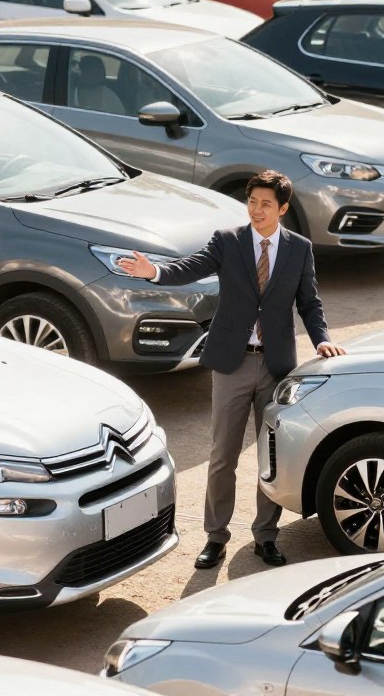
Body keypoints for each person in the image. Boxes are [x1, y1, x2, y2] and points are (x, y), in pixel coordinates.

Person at [117, 169, 346, 570]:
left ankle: (266, 536)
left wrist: (322, 336)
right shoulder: (228, 241)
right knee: (223, 455)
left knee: (269, 456)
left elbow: (309, 302)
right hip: (231, 363)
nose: (257, 210)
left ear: (283, 208)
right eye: (252, 202)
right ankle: (215, 537)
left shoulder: (300, 248)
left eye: (266, 204)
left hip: (276, 366)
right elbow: (190, 267)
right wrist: (153, 271)